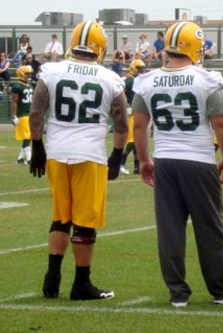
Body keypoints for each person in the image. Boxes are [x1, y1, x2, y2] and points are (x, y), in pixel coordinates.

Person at [133, 21, 223, 307]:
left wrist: (144, 159)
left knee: (170, 230)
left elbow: (140, 125)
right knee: (211, 228)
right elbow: (221, 124)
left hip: (165, 160)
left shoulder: (146, 80)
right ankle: (221, 291)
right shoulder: (206, 79)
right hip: (199, 161)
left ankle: (178, 293)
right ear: (195, 47)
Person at [29, 20, 128, 301]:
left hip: (57, 153)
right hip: (90, 155)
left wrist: (37, 145)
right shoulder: (109, 78)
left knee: (61, 217)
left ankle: (52, 279)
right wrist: (117, 155)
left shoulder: (52, 71)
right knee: (85, 221)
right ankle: (81, 284)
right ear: (101, 46)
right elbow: (121, 123)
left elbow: (37, 110)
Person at [120, 59, 145, 175]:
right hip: (131, 113)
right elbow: (121, 94)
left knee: (135, 141)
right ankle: (121, 163)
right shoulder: (129, 81)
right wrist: (127, 106)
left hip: (136, 112)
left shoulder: (136, 80)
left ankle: (137, 166)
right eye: (139, 68)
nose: (141, 71)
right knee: (132, 140)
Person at [12, 66, 33, 164]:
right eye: (27, 73)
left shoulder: (30, 85)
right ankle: (29, 159)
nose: (29, 75)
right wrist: (14, 116)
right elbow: (14, 101)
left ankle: (20, 159)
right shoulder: (17, 86)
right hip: (22, 114)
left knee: (28, 137)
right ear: (21, 74)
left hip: (29, 113)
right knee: (28, 136)